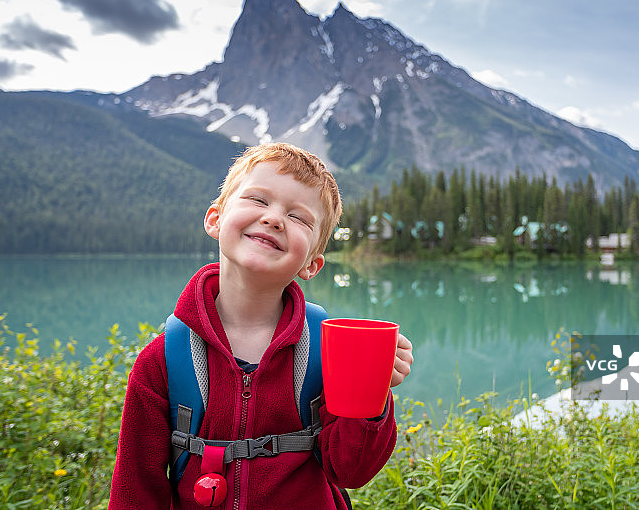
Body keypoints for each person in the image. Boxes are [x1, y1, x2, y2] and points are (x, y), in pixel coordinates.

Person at [109, 143, 413, 509]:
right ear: (215, 220)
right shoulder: (163, 359)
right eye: (257, 199)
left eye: (299, 217)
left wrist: (371, 392)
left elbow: (351, 471)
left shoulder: (325, 350)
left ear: (312, 265)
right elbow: (135, 492)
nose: (274, 218)